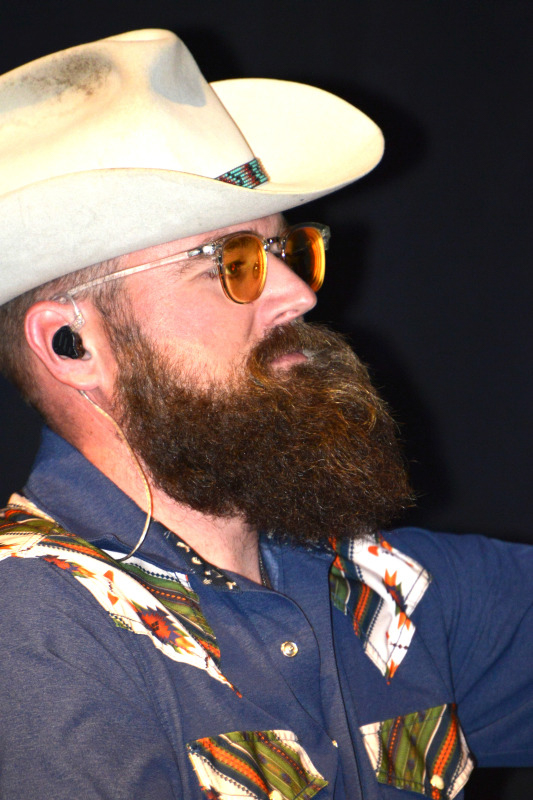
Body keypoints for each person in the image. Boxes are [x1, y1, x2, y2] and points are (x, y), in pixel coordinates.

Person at [0, 28, 530, 800]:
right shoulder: (32, 634)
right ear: (72, 344)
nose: (298, 295)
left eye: (282, 252)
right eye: (229, 263)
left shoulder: (389, 592)